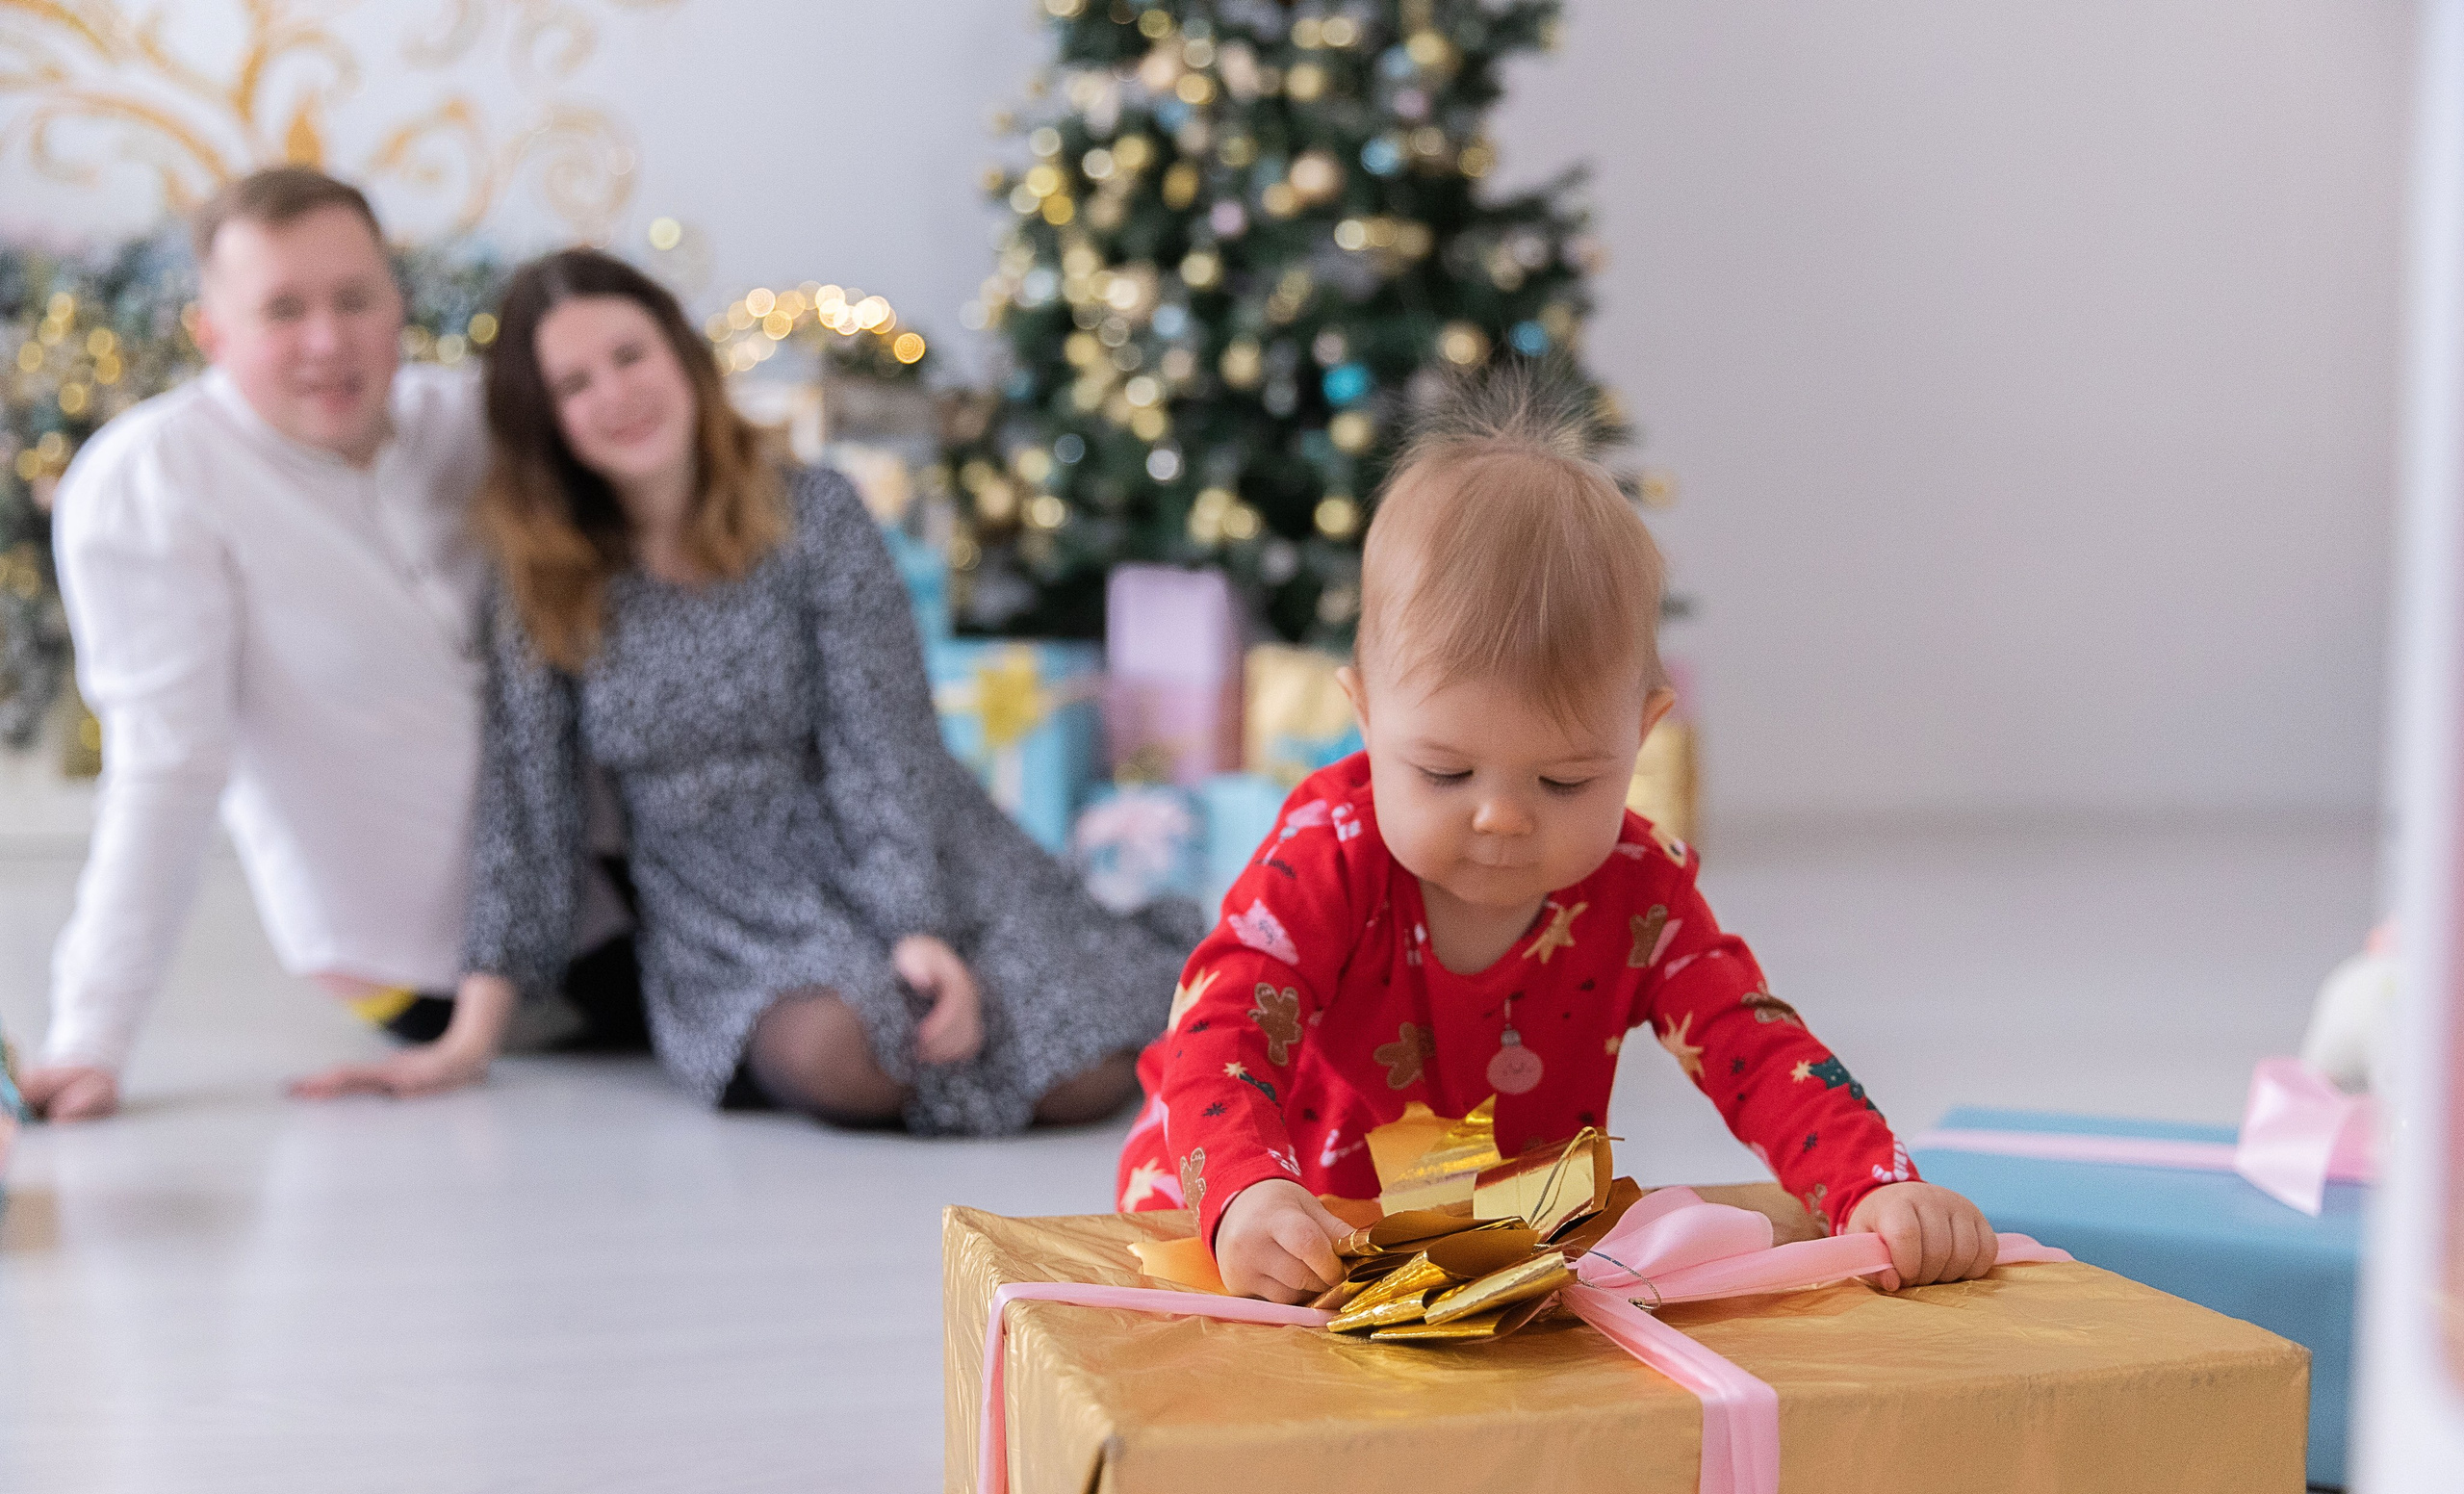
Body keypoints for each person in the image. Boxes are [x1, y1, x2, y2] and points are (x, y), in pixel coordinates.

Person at [1116, 377, 2002, 1301]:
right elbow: (1217, 1029)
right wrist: (1248, 1194)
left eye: (1566, 780)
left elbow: (1756, 1045)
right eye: (1445, 773)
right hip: (1263, 1201)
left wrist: (1876, 1182)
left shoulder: (1639, 888)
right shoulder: (1331, 849)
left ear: (1642, 732)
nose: (1502, 816)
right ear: (1366, 715)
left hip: (1479, 1236)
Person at [299, 249, 1190, 1130]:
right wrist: (468, 1040)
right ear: (546, 422)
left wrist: (916, 924)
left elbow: (883, 739)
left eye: (630, 356)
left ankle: (1077, 970)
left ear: (682, 357)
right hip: (728, 911)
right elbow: (527, 815)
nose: (615, 395)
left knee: (1088, 1077)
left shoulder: (816, 512)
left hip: (901, 841)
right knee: (845, 1054)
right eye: (574, 385)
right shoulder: (545, 580)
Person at [18, 167, 642, 1123]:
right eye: (282, 309)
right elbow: (168, 768)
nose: (327, 341)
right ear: (210, 333)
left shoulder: (473, 424)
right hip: (418, 962)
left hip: (618, 877)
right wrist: (90, 1040)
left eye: (355, 298)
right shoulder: (156, 482)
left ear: (398, 301)